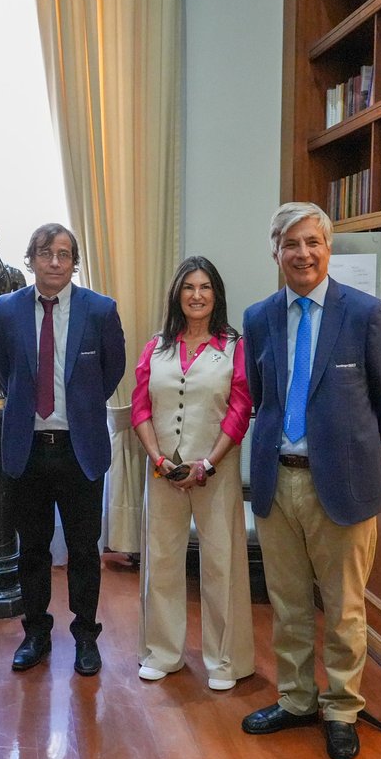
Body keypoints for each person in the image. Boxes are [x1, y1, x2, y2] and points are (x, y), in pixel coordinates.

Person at [240, 202, 381, 759]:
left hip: (344, 485)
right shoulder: (258, 317)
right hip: (275, 482)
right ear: (276, 252)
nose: (303, 253)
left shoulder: (366, 313)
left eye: (313, 242)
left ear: (328, 248)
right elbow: (262, 397)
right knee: (285, 605)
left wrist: (355, 458)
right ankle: (296, 698)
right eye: (290, 244)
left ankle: (341, 708)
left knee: (344, 609)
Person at [0, 222, 126, 676]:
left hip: (79, 448)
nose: (54, 262)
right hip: (27, 447)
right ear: (31, 259)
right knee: (33, 549)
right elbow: (2, 366)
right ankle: (36, 633)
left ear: (74, 263)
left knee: (85, 549)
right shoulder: (6, 309)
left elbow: (112, 371)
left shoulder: (101, 310)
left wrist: (81, 407)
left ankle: (85, 634)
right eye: (45, 253)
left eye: (64, 254)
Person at [130, 256, 255, 691]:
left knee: (221, 562)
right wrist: (159, 459)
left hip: (214, 469)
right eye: (188, 287)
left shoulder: (234, 346)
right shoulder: (156, 346)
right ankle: (163, 652)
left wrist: (208, 461)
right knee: (162, 560)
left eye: (205, 287)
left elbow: (241, 407)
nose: (196, 295)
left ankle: (225, 659)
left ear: (216, 294)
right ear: (177, 295)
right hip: (163, 468)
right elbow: (141, 405)